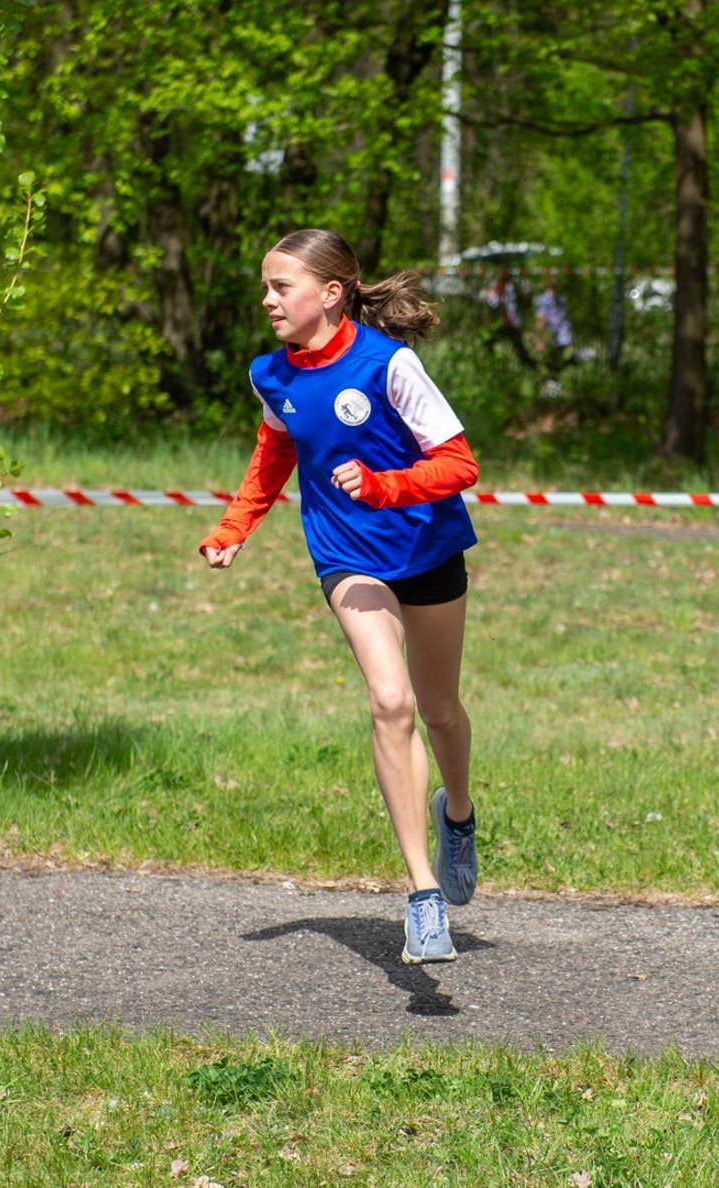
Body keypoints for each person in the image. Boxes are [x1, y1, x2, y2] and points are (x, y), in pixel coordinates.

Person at [198, 228, 480, 964]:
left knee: (441, 709)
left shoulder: (390, 365)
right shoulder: (272, 375)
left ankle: (459, 812)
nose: (266, 300)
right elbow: (274, 452)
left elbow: (459, 463)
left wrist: (389, 487)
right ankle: (422, 899)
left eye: (280, 287)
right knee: (392, 702)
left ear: (329, 293)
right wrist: (236, 527)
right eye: (265, 286)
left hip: (426, 547)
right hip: (349, 557)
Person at [534, 281, 574, 375]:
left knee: (560, 358)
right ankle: (552, 377)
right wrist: (539, 339)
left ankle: (554, 376)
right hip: (554, 337)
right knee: (552, 359)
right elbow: (541, 320)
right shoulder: (544, 300)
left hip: (562, 336)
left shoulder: (561, 298)